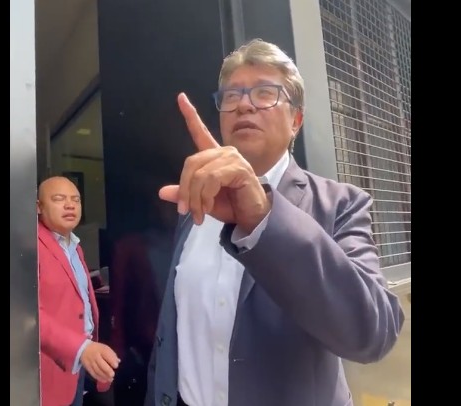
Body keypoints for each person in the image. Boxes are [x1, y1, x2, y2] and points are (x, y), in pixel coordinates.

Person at [145, 39, 405, 406]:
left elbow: (374, 333)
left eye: (265, 93)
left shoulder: (340, 205)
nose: (244, 104)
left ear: (296, 120)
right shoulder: (195, 208)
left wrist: (263, 217)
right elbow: (173, 333)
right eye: (232, 96)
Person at [37, 176, 120, 406]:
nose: (70, 205)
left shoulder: (74, 246)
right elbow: (25, 314)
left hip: (78, 367)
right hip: (48, 370)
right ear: (38, 207)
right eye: (59, 199)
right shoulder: (29, 246)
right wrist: (81, 348)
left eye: (76, 199)